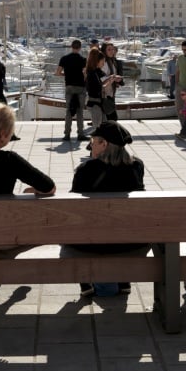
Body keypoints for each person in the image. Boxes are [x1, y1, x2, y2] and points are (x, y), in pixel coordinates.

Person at [70, 121, 145, 297]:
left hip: (92, 243)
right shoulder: (136, 167)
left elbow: (73, 208)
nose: (89, 146)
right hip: (130, 242)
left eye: (92, 141)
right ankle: (123, 281)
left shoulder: (86, 170)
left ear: (104, 144)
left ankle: (85, 284)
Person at [56, 39, 87, 141]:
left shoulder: (64, 58)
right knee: (80, 112)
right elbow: (85, 74)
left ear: (71, 47)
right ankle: (81, 134)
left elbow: (58, 72)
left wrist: (66, 74)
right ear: (80, 48)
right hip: (80, 87)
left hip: (69, 86)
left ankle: (67, 134)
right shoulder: (83, 60)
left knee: (69, 111)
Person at [84, 47, 119, 129]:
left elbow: (101, 84)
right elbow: (99, 87)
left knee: (102, 125)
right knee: (98, 127)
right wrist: (110, 81)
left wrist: (110, 79)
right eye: (102, 61)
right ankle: (95, 141)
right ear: (97, 61)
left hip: (97, 103)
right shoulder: (92, 73)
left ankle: (98, 140)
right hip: (95, 103)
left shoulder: (94, 71)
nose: (103, 64)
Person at [99, 42, 123, 121]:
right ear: (104, 51)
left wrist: (116, 80)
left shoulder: (111, 61)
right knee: (112, 117)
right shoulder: (104, 62)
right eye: (109, 49)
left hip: (111, 92)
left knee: (110, 116)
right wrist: (113, 78)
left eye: (112, 49)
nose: (111, 51)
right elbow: (101, 78)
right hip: (105, 93)